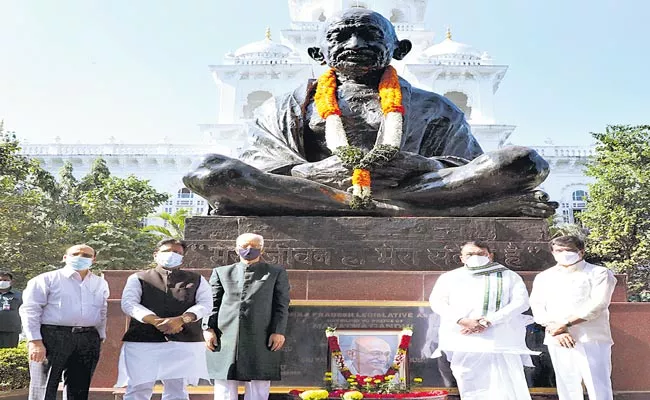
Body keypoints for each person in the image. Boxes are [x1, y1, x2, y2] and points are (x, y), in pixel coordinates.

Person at [184, 9, 556, 218]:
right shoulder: (283, 106)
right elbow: (259, 161)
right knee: (211, 174)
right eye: (341, 37)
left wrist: (424, 166)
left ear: (399, 48)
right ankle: (388, 209)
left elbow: (468, 162)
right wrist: (307, 170)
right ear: (319, 54)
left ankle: (373, 205)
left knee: (523, 162)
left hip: (417, 186)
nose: (355, 45)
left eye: (370, 36)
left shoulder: (435, 107)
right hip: (315, 186)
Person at [429, 241, 537, 400]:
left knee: (505, 383)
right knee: (468, 379)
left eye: (480, 254)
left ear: (490, 256)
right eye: (470, 254)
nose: (475, 257)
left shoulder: (508, 275)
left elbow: (521, 302)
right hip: (463, 337)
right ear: (462, 258)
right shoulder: (450, 277)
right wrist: (462, 320)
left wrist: (490, 320)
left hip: (499, 338)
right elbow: (437, 302)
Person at [116, 238, 212, 400]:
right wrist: (155, 321)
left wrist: (182, 319)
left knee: (177, 391)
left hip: (183, 341)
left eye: (177, 252)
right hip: (144, 341)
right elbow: (129, 303)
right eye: (167, 251)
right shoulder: (139, 278)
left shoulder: (196, 279)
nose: (172, 255)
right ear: (156, 255)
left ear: (183, 257)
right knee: (138, 388)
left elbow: (206, 304)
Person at [203, 233, 290, 400]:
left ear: (262, 249)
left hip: (261, 333)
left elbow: (281, 304)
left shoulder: (275, 272)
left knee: (259, 382)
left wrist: (278, 331)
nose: (249, 250)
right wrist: (208, 328)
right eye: (244, 246)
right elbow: (212, 303)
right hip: (226, 334)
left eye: (254, 246)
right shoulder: (221, 272)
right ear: (236, 249)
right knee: (225, 382)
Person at [530, 235, 617, 400]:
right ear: (553, 253)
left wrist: (565, 324)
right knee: (567, 385)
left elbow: (598, 304)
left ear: (581, 252)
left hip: (591, 337)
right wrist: (556, 329)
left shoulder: (599, 273)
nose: (564, 253)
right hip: (558, 337)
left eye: (569, 250)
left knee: (598, 384)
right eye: (559, 250)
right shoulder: (544, 277)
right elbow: (537, 306)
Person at [19, 244, 109, 400]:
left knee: (79, 388)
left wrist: (100, 335)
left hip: (88, 338)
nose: (81, 257)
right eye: (75, 254)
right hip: (52, 336)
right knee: (44, 388)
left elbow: (102, 310)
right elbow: (30, 310)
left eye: (87, 255)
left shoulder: (99, 283)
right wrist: (34, 341)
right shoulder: (46, 279)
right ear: (65, 257)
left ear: (94, 259)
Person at [0, 271, 22, 348]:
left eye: (5, 280)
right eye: (0, 280)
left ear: (11, 282)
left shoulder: (19, 295)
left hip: (11, 330)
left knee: (9, 353)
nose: (2, 282)